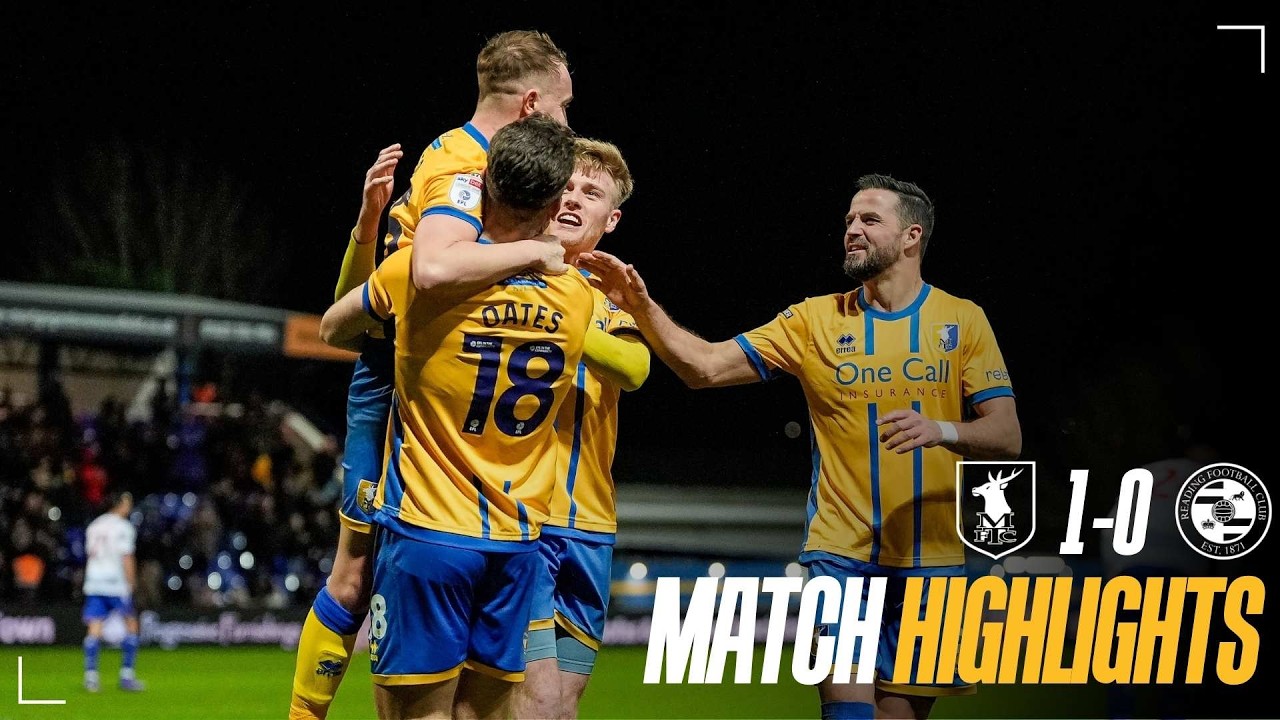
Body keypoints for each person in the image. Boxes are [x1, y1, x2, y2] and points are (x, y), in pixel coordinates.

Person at [580, 174, 1022, 720]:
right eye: (849, 221)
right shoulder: (814, 319)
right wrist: (642, 307)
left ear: (912, 236)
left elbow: (1006, 435)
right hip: (840, 552)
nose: (852, 230)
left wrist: (943, 430)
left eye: (870, 220)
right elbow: (705, 368)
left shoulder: (962, 320)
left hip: (933, 558)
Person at [289, 29, 574, 720]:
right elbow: (432, 269)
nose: (569, 123)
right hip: (399, 382)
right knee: (354, 573)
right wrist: (538, 253)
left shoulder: (484, 166)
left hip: (448, 384)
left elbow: (363, 293)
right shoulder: (463, 166)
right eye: (564, 106)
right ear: (531, 103)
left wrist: (369, 227)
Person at [513, 139, 646, 720]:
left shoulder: (611, 297)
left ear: (610, 220)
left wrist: (562, 324)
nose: (572, 199)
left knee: (563, 707)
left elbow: (635, 369)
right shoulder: (508, 272)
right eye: (566, 186)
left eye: (591, 193)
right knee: (536, 700)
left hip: (591, 527)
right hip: (524, 519)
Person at [82, 490, 144, 693]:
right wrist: (131, 583)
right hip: (116, 583)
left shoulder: (94, 525)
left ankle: (91, 677)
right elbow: (126, 557)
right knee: (131, 625)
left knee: (95, 627)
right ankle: (127, 675)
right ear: (119, 504)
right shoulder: (124, 527)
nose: (130, 506)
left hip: (94, 581)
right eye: (127, 502)